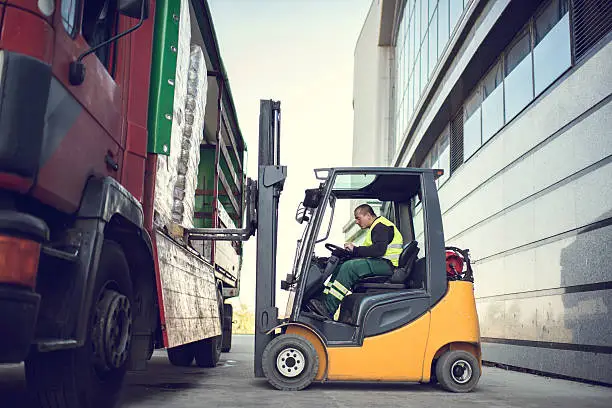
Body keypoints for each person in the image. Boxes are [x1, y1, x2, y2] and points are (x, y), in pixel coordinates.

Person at [307, 204, 403, 318]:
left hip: (387, 265)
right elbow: (370, 251)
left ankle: (328, 308)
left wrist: (355, 250)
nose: (356, 222)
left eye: (358, 218)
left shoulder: (381, 226)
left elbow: (379, 250)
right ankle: (324, 300)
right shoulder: (375, 227)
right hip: (380, 262)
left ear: (368, 215)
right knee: (339, 266)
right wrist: (351, 253)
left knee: (349, 268)